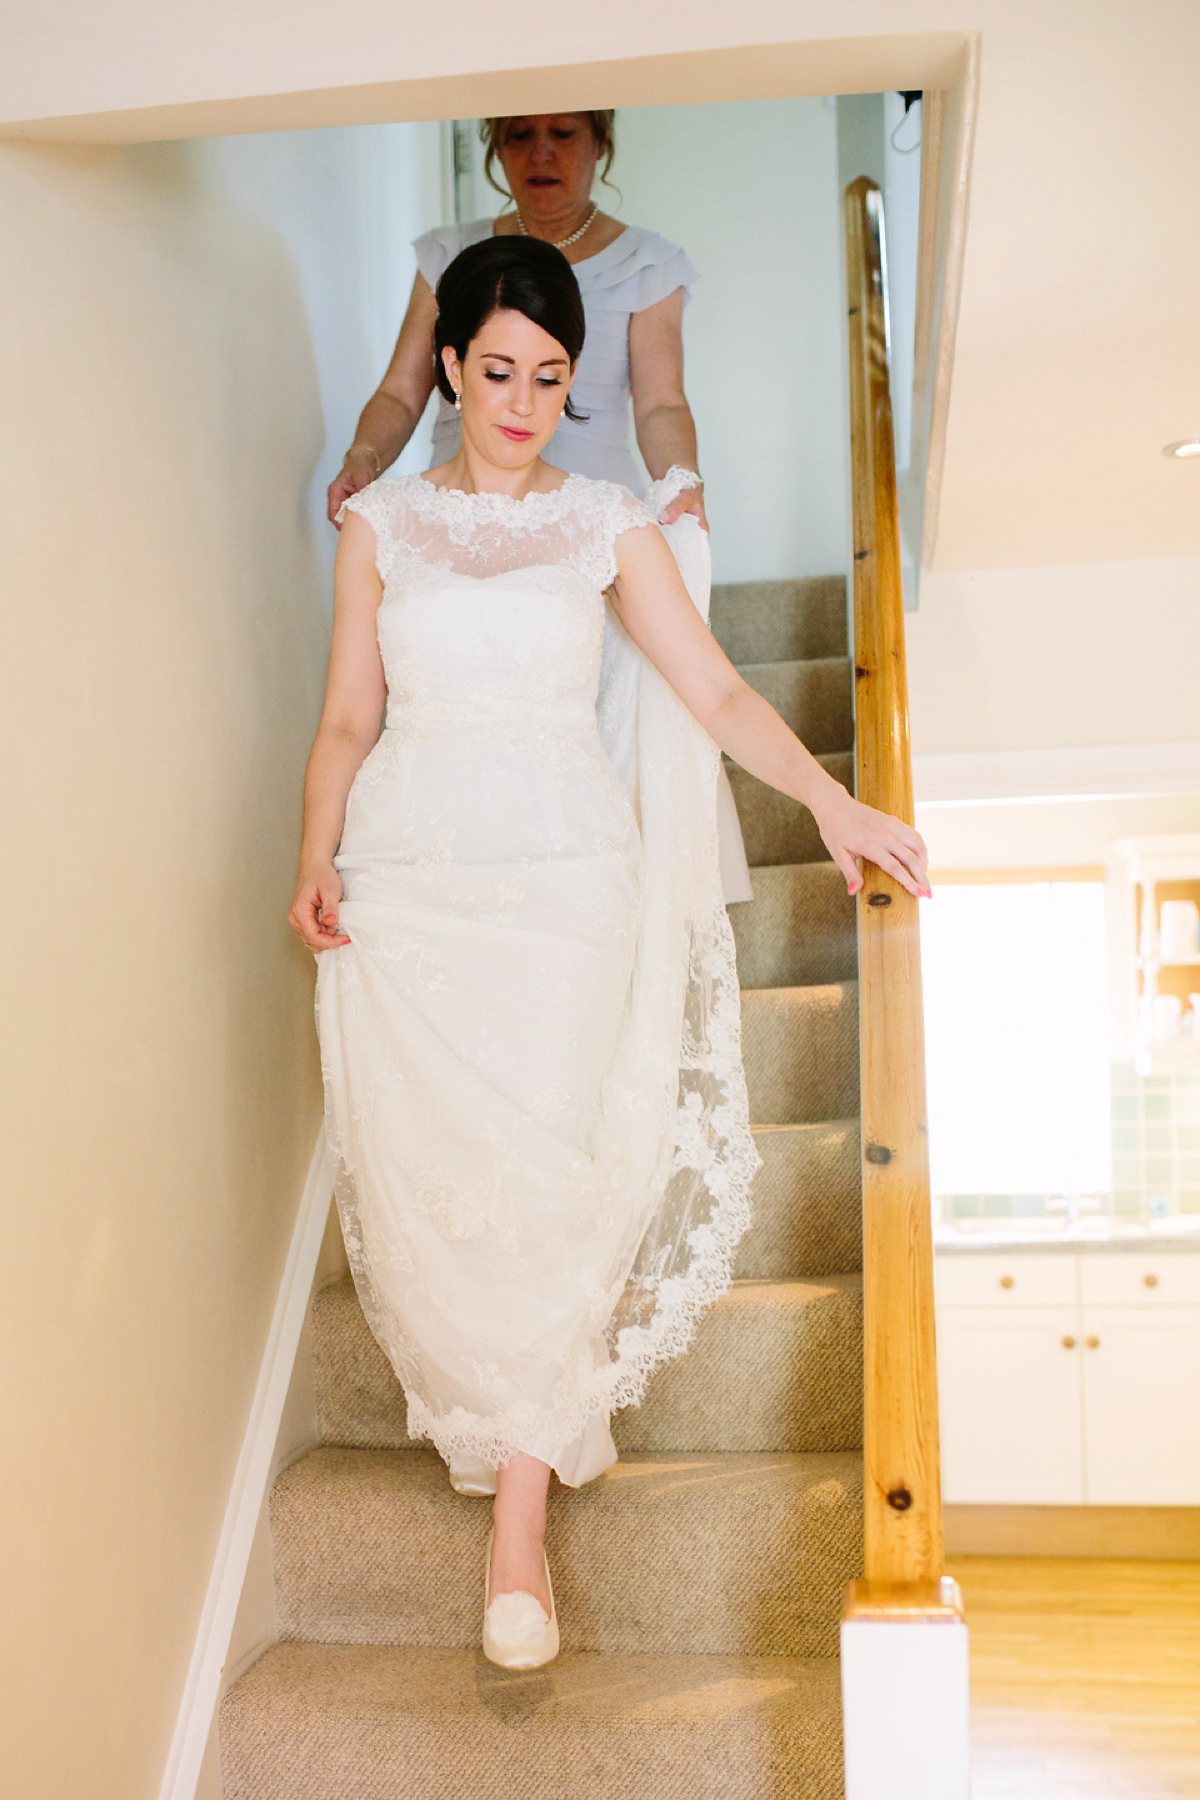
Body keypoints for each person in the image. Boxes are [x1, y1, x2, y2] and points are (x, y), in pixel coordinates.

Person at [290, 237, 929, 1673]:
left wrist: (831, 799)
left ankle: (519, 1526)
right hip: (412, 875)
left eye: (551, 376)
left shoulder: (604, 520)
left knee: (563, 1171)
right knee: (450, 1175)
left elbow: (704, 684)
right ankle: (515, 1421)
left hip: (571, 878)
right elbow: (346, 715)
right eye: (498, 369)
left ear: (574, 384)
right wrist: (316, 849)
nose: (522, 400)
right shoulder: (380, 525)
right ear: (447, 364)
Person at [327, 109, 754, 901]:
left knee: (596, 738)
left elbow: (661, 406)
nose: (542, 153)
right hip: (459, 518)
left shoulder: (646, 264)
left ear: (601, 143)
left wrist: (682, 480)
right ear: (493, 146)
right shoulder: (451, 257)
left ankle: (600, 914)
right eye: (519, 135)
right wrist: (365, 460)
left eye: (564, 133)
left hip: (581, 532)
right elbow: (400, 389)